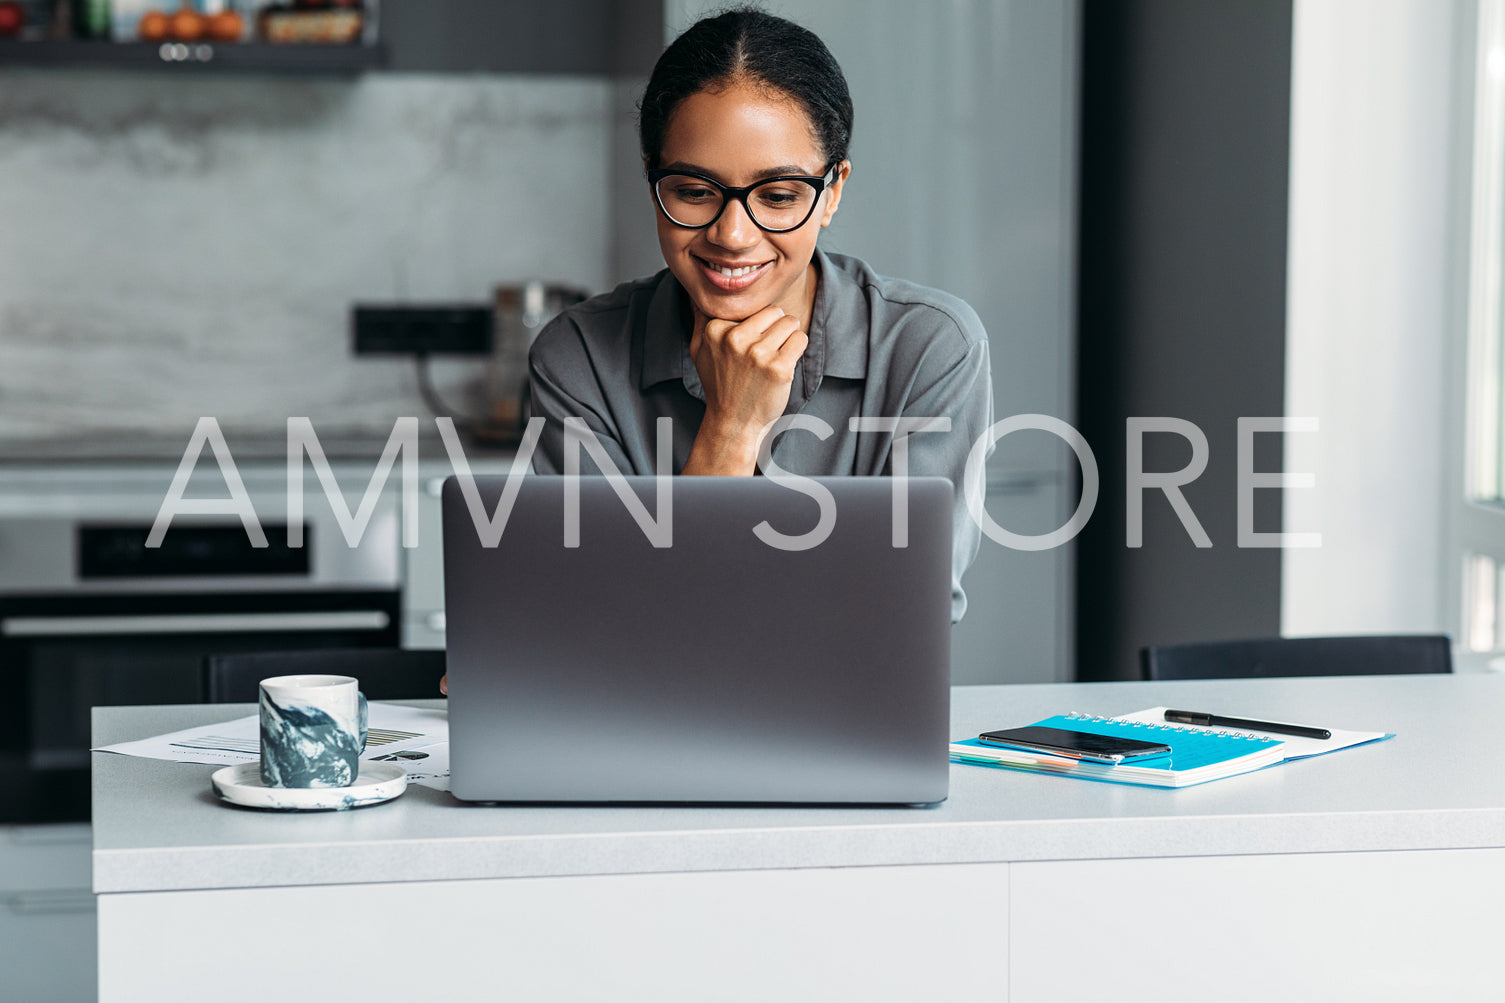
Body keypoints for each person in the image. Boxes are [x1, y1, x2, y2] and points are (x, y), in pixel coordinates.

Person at [442, 8, 993, 694]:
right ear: (653, 182)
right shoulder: (577, 354)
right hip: (638, 737)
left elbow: (903, 624)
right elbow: (596, 636)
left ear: (832, 192)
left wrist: (607, 627)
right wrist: (730, 431)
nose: (733, 234)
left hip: (837, 729)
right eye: (694, 191)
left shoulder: (929, 346)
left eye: (779, 194)